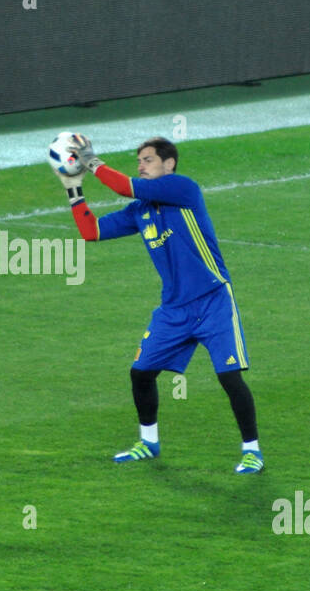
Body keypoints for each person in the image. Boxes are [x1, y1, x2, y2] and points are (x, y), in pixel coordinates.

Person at [55, 136, 264, 474]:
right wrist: (73, 188)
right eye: (139, 161)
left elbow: (124, 186)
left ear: (169, 164)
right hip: (174, 310)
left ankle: (252, 450)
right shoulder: (140, 211)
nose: (141, 166)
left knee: (229, 377)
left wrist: (91, 160)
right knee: (141, 373)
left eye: (148, 160)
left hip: (213, 300)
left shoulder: (183, 189)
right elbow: (90, 231)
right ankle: (148, 442)